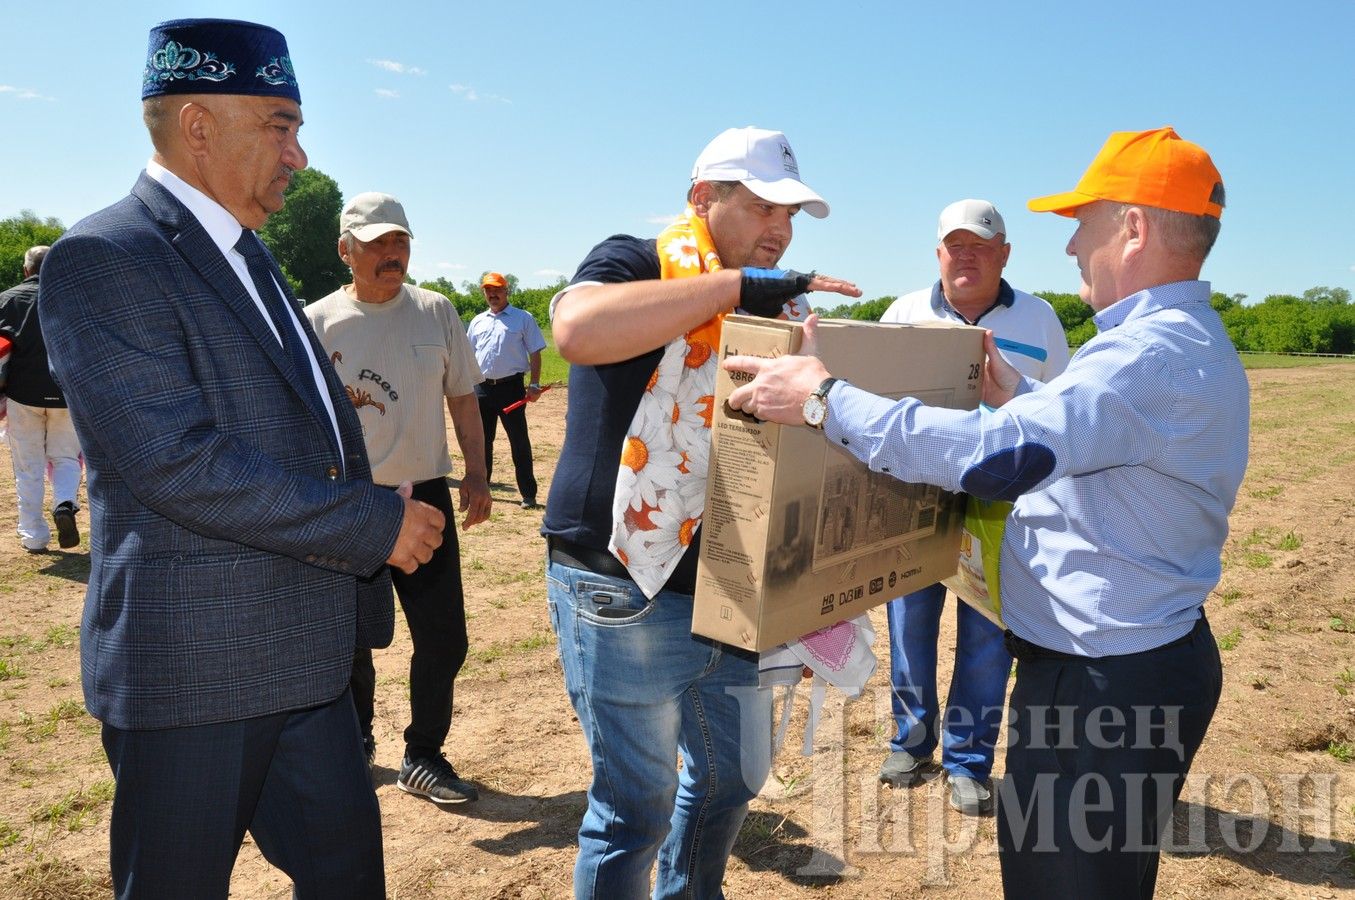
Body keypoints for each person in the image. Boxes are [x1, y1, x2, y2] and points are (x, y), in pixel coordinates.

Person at [725, 126, 1245, 898]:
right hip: (1133, 668)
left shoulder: (1144, 355)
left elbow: (997, 461)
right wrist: (1020, 397)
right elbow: (1099, 446)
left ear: (1132, 228)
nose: (1070, 246)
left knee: (1064, 883)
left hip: (1102, 687)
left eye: (1083, 222)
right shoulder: (1175, 343)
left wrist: (822, 399)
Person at [37, 20, 445, 899]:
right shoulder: (106, 257)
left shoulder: (249, 258)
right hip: (196, 671)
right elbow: (176, 464)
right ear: (197, 125)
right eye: (279, 125)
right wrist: (374, 522)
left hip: (303, 661)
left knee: (348, 882)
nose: (299, 155)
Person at [544, 126, 860, 898]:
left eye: (789, 215)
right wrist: (729, 290)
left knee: (731, 779)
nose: (779, 231)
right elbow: (577, 330)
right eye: (759, 207)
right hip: (622, 583)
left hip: (735, 581)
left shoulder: (782, 306)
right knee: (633, 810)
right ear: (700, 199)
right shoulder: (634, 261)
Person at [877, 199, 1069, 815]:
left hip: (1000, 505)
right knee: (909, 625)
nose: (966, 255)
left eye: (980, 245)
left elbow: (1060, 412)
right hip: (915, 496)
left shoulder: (1040, 320)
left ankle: (968, 759)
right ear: (938, 253)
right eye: (954, 245)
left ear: (1005, 253)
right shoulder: (902, 315)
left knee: (987, 636)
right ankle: (910, 740)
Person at [306, 191, 492, 804]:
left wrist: (478, 473)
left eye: (401, 241)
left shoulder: (435, 312)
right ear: (346, 249)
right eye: (378, 241)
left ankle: (423, 754)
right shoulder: (316, 323)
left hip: (428, 496)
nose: (393, 253)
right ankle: (353, 744)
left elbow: (463, 395)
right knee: (347, 638)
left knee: (445, 636)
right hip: (351, 502)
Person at [0, 245, 84, 552]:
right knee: (66, 458)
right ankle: (65, 503)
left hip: (23, 396)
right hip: (66, 394)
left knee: (28, 466)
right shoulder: (76, 298)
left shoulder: (7, 300)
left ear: (26, 270)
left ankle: (34, 536)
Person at [466, 271, 546, 509]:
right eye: (488, 290)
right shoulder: (477, 321)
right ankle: (483, 488)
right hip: (481, 388)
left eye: (497, 290)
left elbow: (535, 352)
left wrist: (534, 384)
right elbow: (469, 356)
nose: (493, 294)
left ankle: (528, 494)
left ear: (506, 292)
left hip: (511, 389)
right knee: (481, 442)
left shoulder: (523, 318)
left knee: (519, 441)